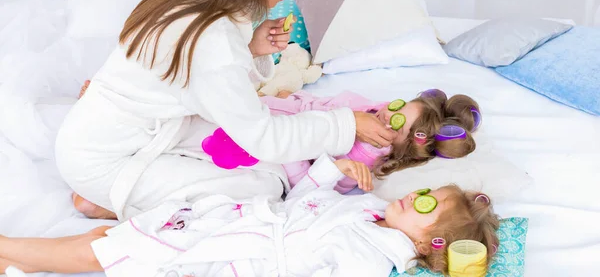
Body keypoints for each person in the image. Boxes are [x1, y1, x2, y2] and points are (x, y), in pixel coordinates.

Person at [55, 0, 397, 223]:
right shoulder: (214, 39)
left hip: (131, 129)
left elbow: (201, 79)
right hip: (102, 159)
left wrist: (250, 48)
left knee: (254, 160)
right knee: (266, 186)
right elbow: (263, 136)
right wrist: (347, 124)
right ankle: (106, 201)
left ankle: (124, 192)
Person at [0, 155, 500, 276]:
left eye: (428, 207)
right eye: (425, 191)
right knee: (122, 238)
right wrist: (329, 172)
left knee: (117, 250)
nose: (415, 198)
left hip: (242, 257)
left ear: (424, 244)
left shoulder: (371, 257)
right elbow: (298, 202)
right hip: (234, 221)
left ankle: (7, 251)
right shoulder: (368, 211)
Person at [230, 88, 480, 192]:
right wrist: (296, 97)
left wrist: (287, 149)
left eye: (396, 122)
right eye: (398, 106)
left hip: (275, 141)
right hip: (270, 108)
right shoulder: (375, 111)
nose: (388, 114)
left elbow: (312, 183)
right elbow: (327, 104)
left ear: (399, 146)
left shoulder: (360, 159)